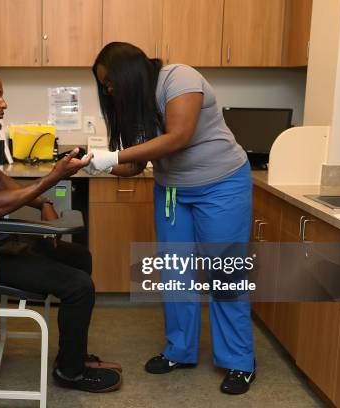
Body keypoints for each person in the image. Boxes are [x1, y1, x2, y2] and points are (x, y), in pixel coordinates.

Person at [0, 67, 122, 393]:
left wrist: (44, 200)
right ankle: (71, 373)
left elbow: (1, 181)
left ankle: (72, 355)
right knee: (79, 286)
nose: (4, 103)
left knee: (79, 257)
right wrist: (54, 176)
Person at [87, 42, 255, 395]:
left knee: (224, 273)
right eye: (104, 86)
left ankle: (240, 361)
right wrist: (94, 164)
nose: (108, 90)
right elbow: (133, 165)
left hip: (221, 186)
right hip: (174, 192)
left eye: (110, 83)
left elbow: (178, 137)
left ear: (128, 72)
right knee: (176, 273)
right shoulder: (135, 107)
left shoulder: (179, 79)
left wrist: (110, 155)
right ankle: (181, 350)